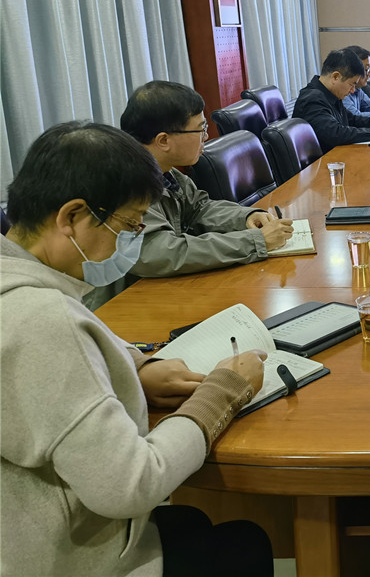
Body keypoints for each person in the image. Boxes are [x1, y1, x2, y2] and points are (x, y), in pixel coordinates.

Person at [1, 121, 273, 577]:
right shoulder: (42, 318)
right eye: (128, 226)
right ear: (71, 217)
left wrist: (137, 366)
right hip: (61, 557)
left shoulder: (21, 280)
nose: (130, 241)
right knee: (245, 544)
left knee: (194, 522)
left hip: (31, 528)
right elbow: (128, 485)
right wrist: (223, 393)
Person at [84, 81, 293, 309]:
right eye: (200, 129)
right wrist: (255, 241)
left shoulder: (162, 169)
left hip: (160, 292)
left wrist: (245, 217)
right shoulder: (126, 182)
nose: (206, 136)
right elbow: (161, 253)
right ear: (163, 140)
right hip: (122, 308)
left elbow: (199, 207)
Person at [293, 48, 370, 151]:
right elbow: (335, 133)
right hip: (324, 161)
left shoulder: (331, 95)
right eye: (352, 84)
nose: (353, 91)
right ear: (335, 77)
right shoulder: (312, 99)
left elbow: (352, 119)